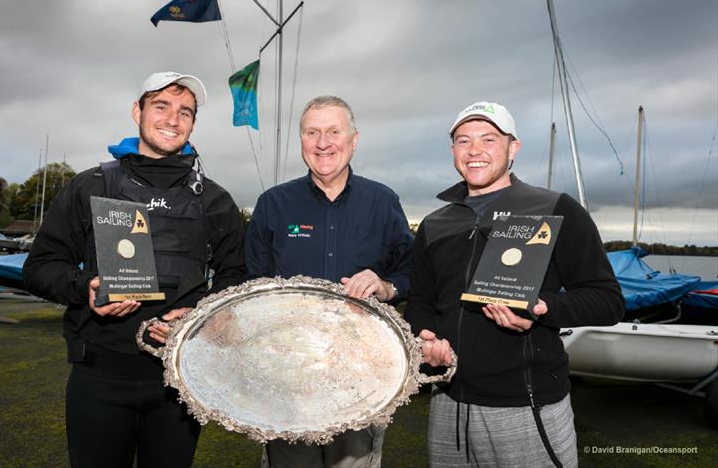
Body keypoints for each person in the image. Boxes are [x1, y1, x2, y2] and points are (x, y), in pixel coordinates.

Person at [24, 71, 246, 468]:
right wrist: (83, 288)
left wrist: (202, 314)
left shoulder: (215, 200)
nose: (172, 119)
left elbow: (236, 277)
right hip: (98, 376)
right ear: (137, 111)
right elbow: (40, 266)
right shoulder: (89, 186)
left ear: (193, 123)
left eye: (185, 112)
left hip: (179, 380)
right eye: (161, 106)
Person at [404, 101, 625, 468]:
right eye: (463, 140)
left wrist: (542, 308)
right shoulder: (434, 223)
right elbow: (422, 302)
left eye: (489, 139)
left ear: (513, 147)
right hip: (448, 402)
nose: (474, 150)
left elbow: (607, 300)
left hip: (527, 405)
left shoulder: (555, 208)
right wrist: (425, 338)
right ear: (453, 151)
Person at [245, 95, 414, 468]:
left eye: (334, 132)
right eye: (312, 132)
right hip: (288, 379)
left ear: (353, 140)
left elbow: (412, 271)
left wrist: (387, 286)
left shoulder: (383, 202)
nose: (323, 143)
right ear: (301, 141)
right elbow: (250, 290)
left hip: (361, 379)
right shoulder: (273, 204)